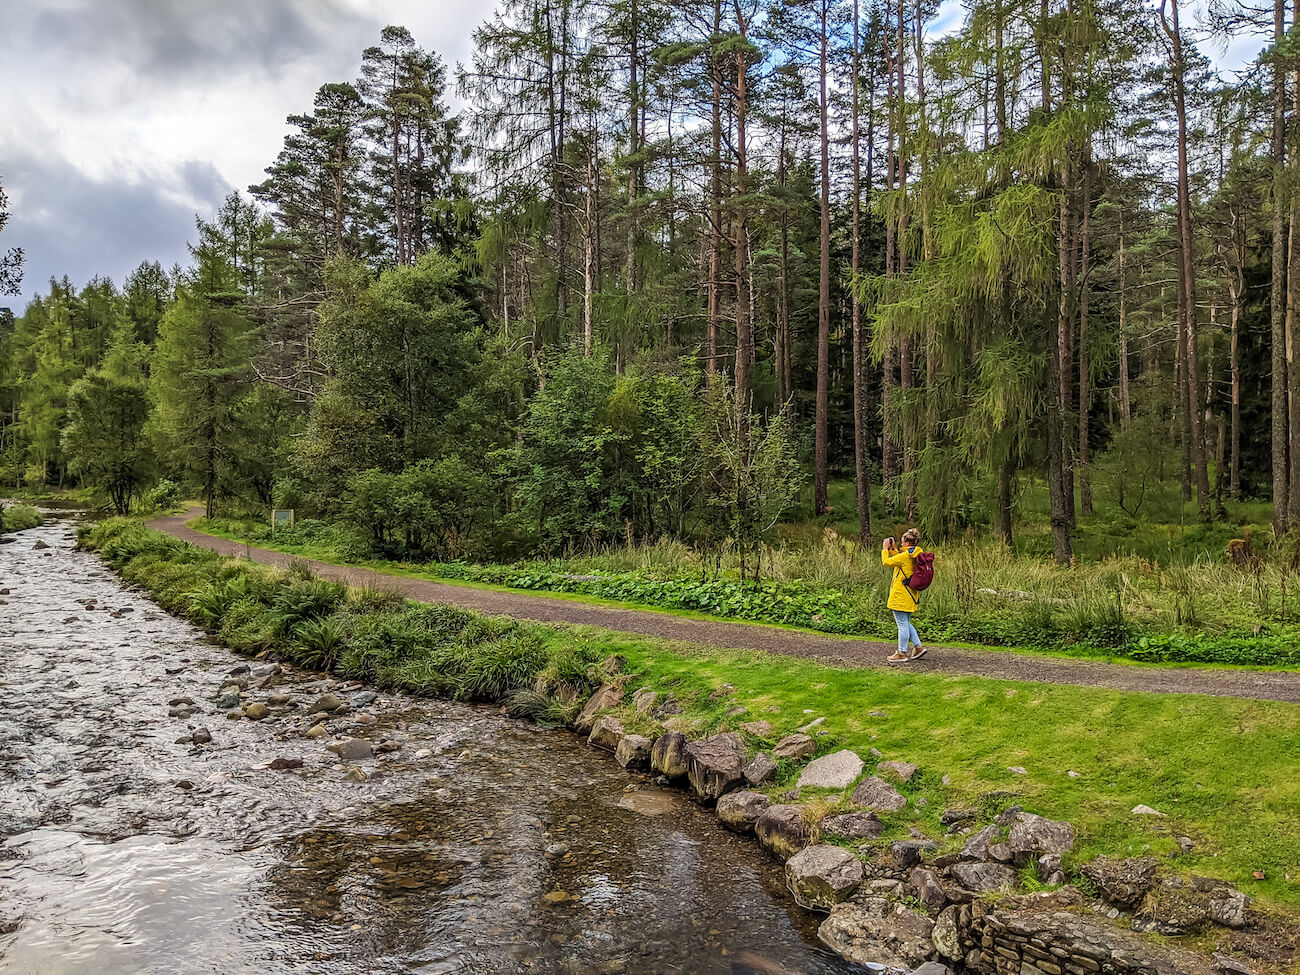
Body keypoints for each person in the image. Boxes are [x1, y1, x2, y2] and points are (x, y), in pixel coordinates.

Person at [882, 528, 927, 663]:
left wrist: (885, 549)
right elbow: (900, 560)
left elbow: (887, 562)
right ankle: (918, 647)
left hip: (901, 594)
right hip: (910, 594)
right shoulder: (914, 554)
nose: (901, 544)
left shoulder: (905, 556)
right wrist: (894, 549)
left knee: (901, 623)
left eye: (902, 542)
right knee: (905, 622)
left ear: (907, 542)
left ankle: (902, 652)